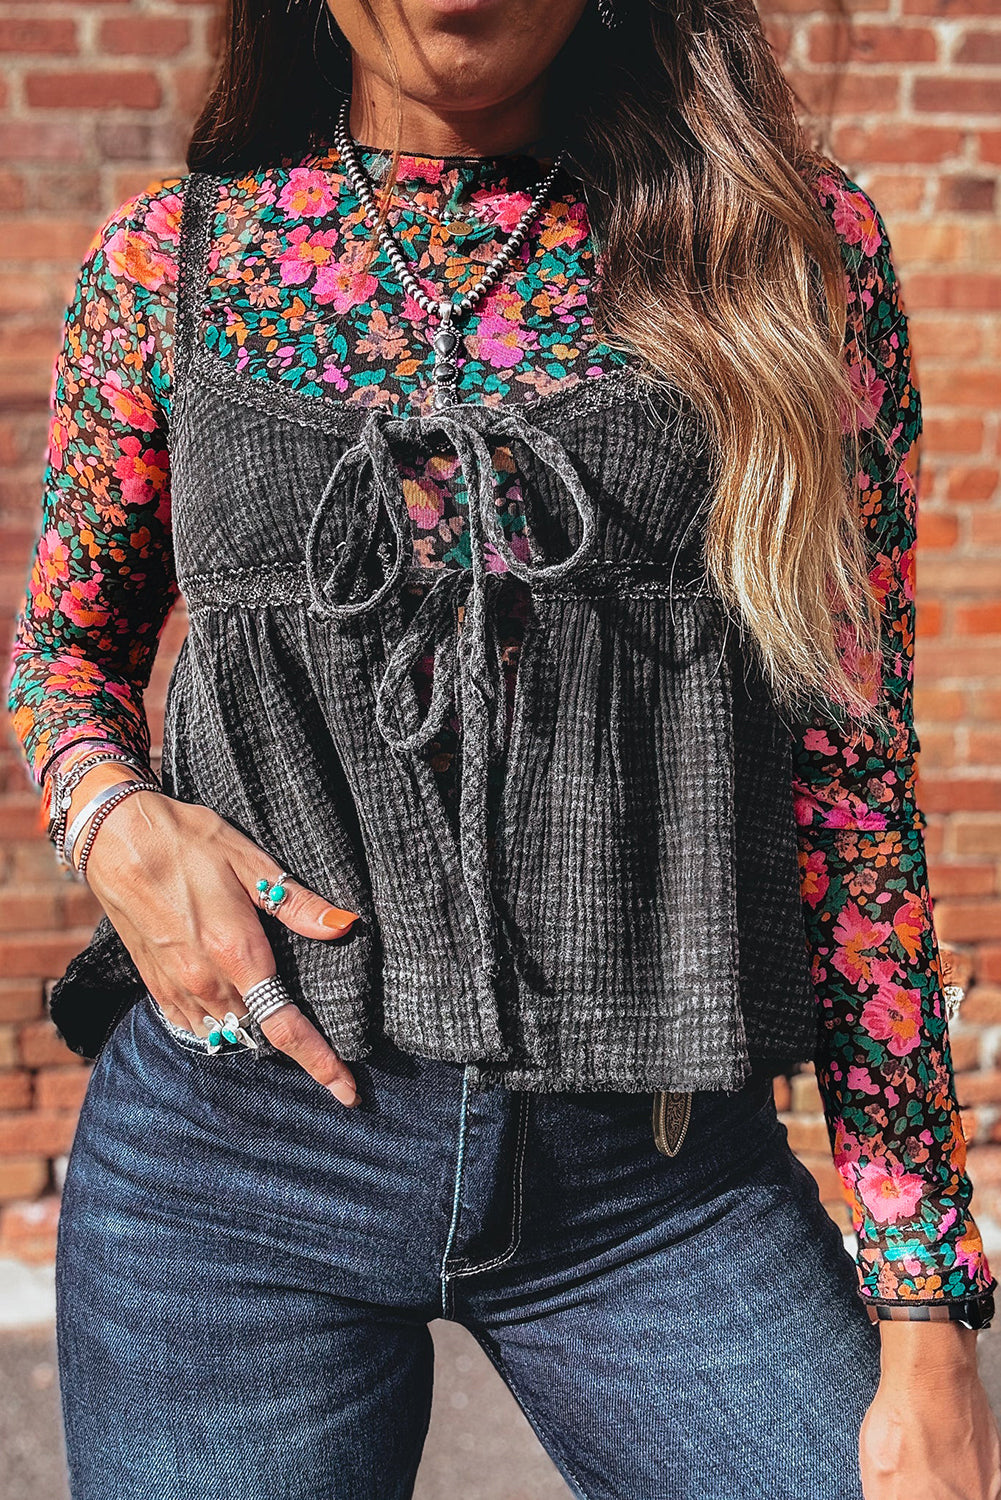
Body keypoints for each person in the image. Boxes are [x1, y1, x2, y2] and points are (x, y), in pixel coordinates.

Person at [6, 1, 1000, 1496]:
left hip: (658, 1185)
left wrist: (923, 1312)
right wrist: (113, 819)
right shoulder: (173, 262)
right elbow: (62, 658)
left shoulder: (781, 252)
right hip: (232, 1172)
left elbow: (850, 787)